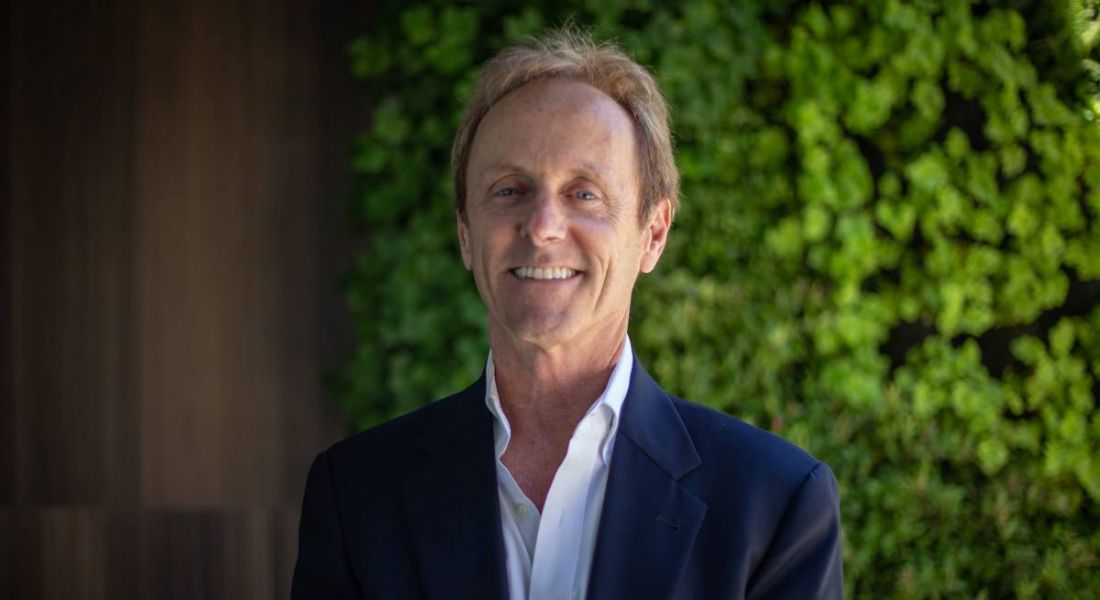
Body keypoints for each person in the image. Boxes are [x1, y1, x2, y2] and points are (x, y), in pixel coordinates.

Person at [292, 27, 843, 600]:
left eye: (584, 193)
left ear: (652, 234)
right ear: (464, 233)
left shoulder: (774, 504)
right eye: (509, 190)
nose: (543, 226)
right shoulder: (356, 495)